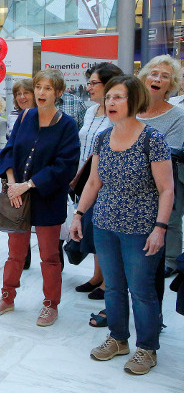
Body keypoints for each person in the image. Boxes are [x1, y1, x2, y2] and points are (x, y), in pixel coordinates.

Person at [70, 75, 173, 376]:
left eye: (118, 97)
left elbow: (167, 189)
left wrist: (160, 228)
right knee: (113, 287)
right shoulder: (103, 137)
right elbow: (93, 182)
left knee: (141, 291)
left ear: (134, 100)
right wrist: (78, 214)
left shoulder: (152, 139)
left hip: (141, 229)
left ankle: (147, 348)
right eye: (109, 97)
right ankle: (118, 338)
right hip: (105, 224)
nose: (110, 102)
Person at [0, 69, 80, 327]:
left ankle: (51, 304)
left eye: (48, 88)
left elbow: (65, 165)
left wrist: (27, 185)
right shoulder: (25, 116)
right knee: (15, 253)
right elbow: (9, 151)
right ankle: (7, 298)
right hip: (18, 197)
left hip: (48, 198)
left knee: (49, 256)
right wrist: (13, 184)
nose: (41, 92)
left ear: (58, 93)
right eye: (38, 87)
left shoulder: (67, 125)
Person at [74, 63, 123, 318]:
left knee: (103, 232)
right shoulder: (91, 111)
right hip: (85, 178)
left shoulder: (118, 115)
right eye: (89, 83)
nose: (89, 87)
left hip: (106, 183)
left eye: (94, 83)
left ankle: (108, 283)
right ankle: (96, 276)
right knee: (92, 230)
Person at [136, 55, 184, 278]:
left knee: (170, 219)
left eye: (164, 76)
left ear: (170, 85)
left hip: (168, 174)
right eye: (154, 74)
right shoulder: (132, 108)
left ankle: (170, 259)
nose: (157, 79)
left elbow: (170, 151)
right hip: (133, 180)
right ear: (145, 77)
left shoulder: (178, 115)